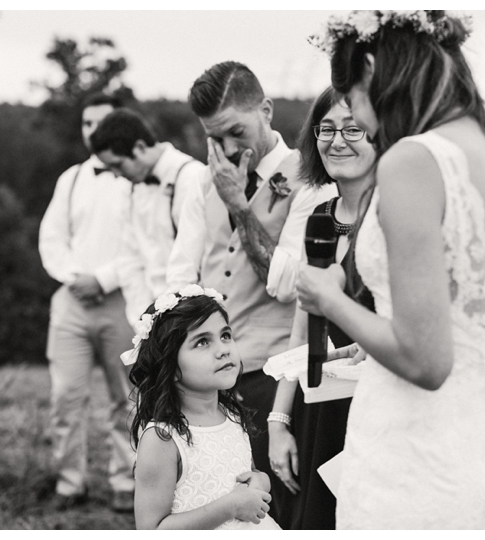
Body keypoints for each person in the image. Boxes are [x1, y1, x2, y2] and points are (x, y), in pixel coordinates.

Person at [298, 11, 485, 529]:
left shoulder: (412, 161)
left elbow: (427, 362)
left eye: (350, 98)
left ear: (372, 69)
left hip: (406, 457)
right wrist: (379, 341)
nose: (360, 121)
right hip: (479, 456)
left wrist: (330, 298)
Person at [166, 61, 337, 526]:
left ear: (265, 110)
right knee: (214, 498)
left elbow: (286, 283)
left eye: (235, 131)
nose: (225, 147)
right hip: (204, 375)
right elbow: (182, 269)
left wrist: (239, 206)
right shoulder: (204, 180)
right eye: (213, 136)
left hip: (272, 370)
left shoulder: (311, 179)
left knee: (273, 504)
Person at [267, 86, 376, 530]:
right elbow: (301, 328)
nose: (336, 140)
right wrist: (280, 420)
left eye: (353, 128)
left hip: (375, 409)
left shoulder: (394, 220)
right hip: (320, 407)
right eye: (326, 128)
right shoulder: (318, 220)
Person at [38, 94, 135, 512]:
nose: (92, 130)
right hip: (72, 301)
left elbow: (142, 244)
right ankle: (69, 481)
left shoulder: (136, 177)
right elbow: (51, 236)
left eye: (101, 122)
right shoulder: (72, 178)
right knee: (66, 396)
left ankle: (127, 481)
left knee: (128, 397)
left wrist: (104, 278)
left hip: (122, 300)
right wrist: (72, 277)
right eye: (86, 123)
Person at [124, 285, 280, 530]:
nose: (223, 349)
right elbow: (152, 529)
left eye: (225, 335)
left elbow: (241, 474)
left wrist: (260, 480)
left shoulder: (231, 414)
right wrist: (229, 507)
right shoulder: (162, 438)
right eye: (202, 342)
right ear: (170, 366)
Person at [90, 108, 205, 326]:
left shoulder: (191, 177)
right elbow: (130, 260)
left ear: (140, 147)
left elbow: (200, 259)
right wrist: (142, 322)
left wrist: (177, 320)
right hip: (152, 319)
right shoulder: (131, 189)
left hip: (191, 316)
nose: (116, 175)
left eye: (117, 164)